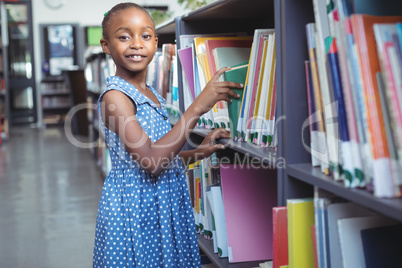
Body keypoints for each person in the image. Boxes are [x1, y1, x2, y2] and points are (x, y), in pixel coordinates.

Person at [93, 2, 243, 267]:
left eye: (145, 36)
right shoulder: (115, 98)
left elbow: (162, 155)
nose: (137, 44)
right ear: (106, 46)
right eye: (124, 36)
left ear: (155, 42)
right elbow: (151, 162)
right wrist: (197, 106)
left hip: (164, 205)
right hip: (134, 212)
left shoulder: (151, 94)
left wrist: (198, 152)